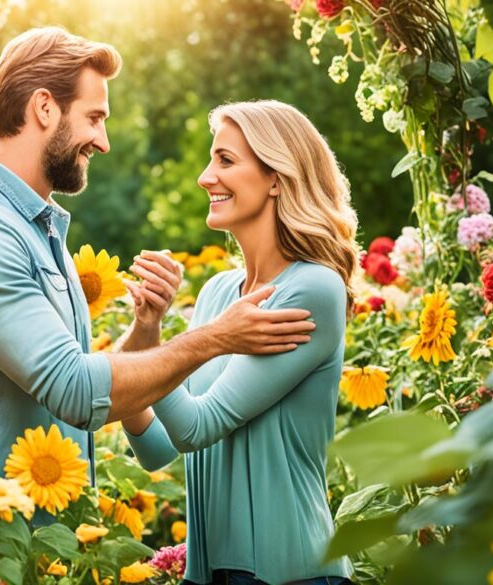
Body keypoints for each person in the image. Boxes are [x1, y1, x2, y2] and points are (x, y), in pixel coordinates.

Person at [0, 29, 316, 510]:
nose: (102, 142)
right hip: (1, 543)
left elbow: (78, 397)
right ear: (44, 108)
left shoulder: (35, 229)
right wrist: (215, 338)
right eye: (94, 117)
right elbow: (77, 392)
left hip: (49, 541)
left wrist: (145, 329)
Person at [122, 100, 358, 585]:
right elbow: (157, 449)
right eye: (211, 161)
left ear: (277, 177)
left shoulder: (312, 289)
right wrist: (148, 328)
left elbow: (196, 427)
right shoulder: (217, 296)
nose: (206, 177)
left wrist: (182, 347)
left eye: (226, 160)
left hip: (295, 575)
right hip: (212, 575)